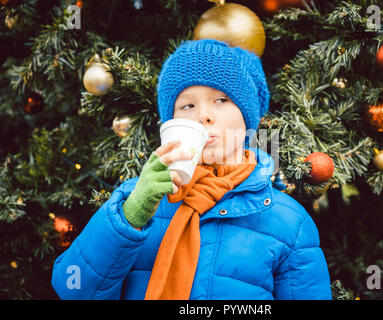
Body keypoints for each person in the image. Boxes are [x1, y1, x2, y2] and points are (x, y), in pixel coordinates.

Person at [51, 39, 332, 300]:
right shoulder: (133, 198)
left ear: (247, 118)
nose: (203, 114)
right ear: (171, 122)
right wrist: (131, 216)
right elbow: (73, 289)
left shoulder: (288, 221)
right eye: (187, 105)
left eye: (221, 100)